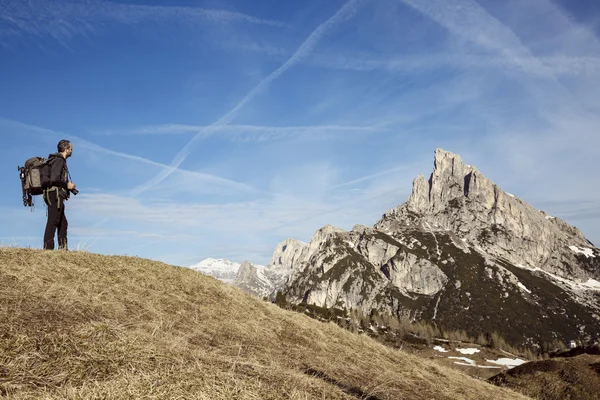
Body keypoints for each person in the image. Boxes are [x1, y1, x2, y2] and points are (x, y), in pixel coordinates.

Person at [43, 140, 76, 250]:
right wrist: (67, 185)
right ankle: (48, 249)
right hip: (55, 194)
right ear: (66, 149)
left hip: (55, 194)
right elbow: (55, 179)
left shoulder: (56, 160)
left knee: (63, 223)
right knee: (53, 221)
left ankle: (63, 249)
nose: (72, 150)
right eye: (71, 148)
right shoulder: (59, 160)